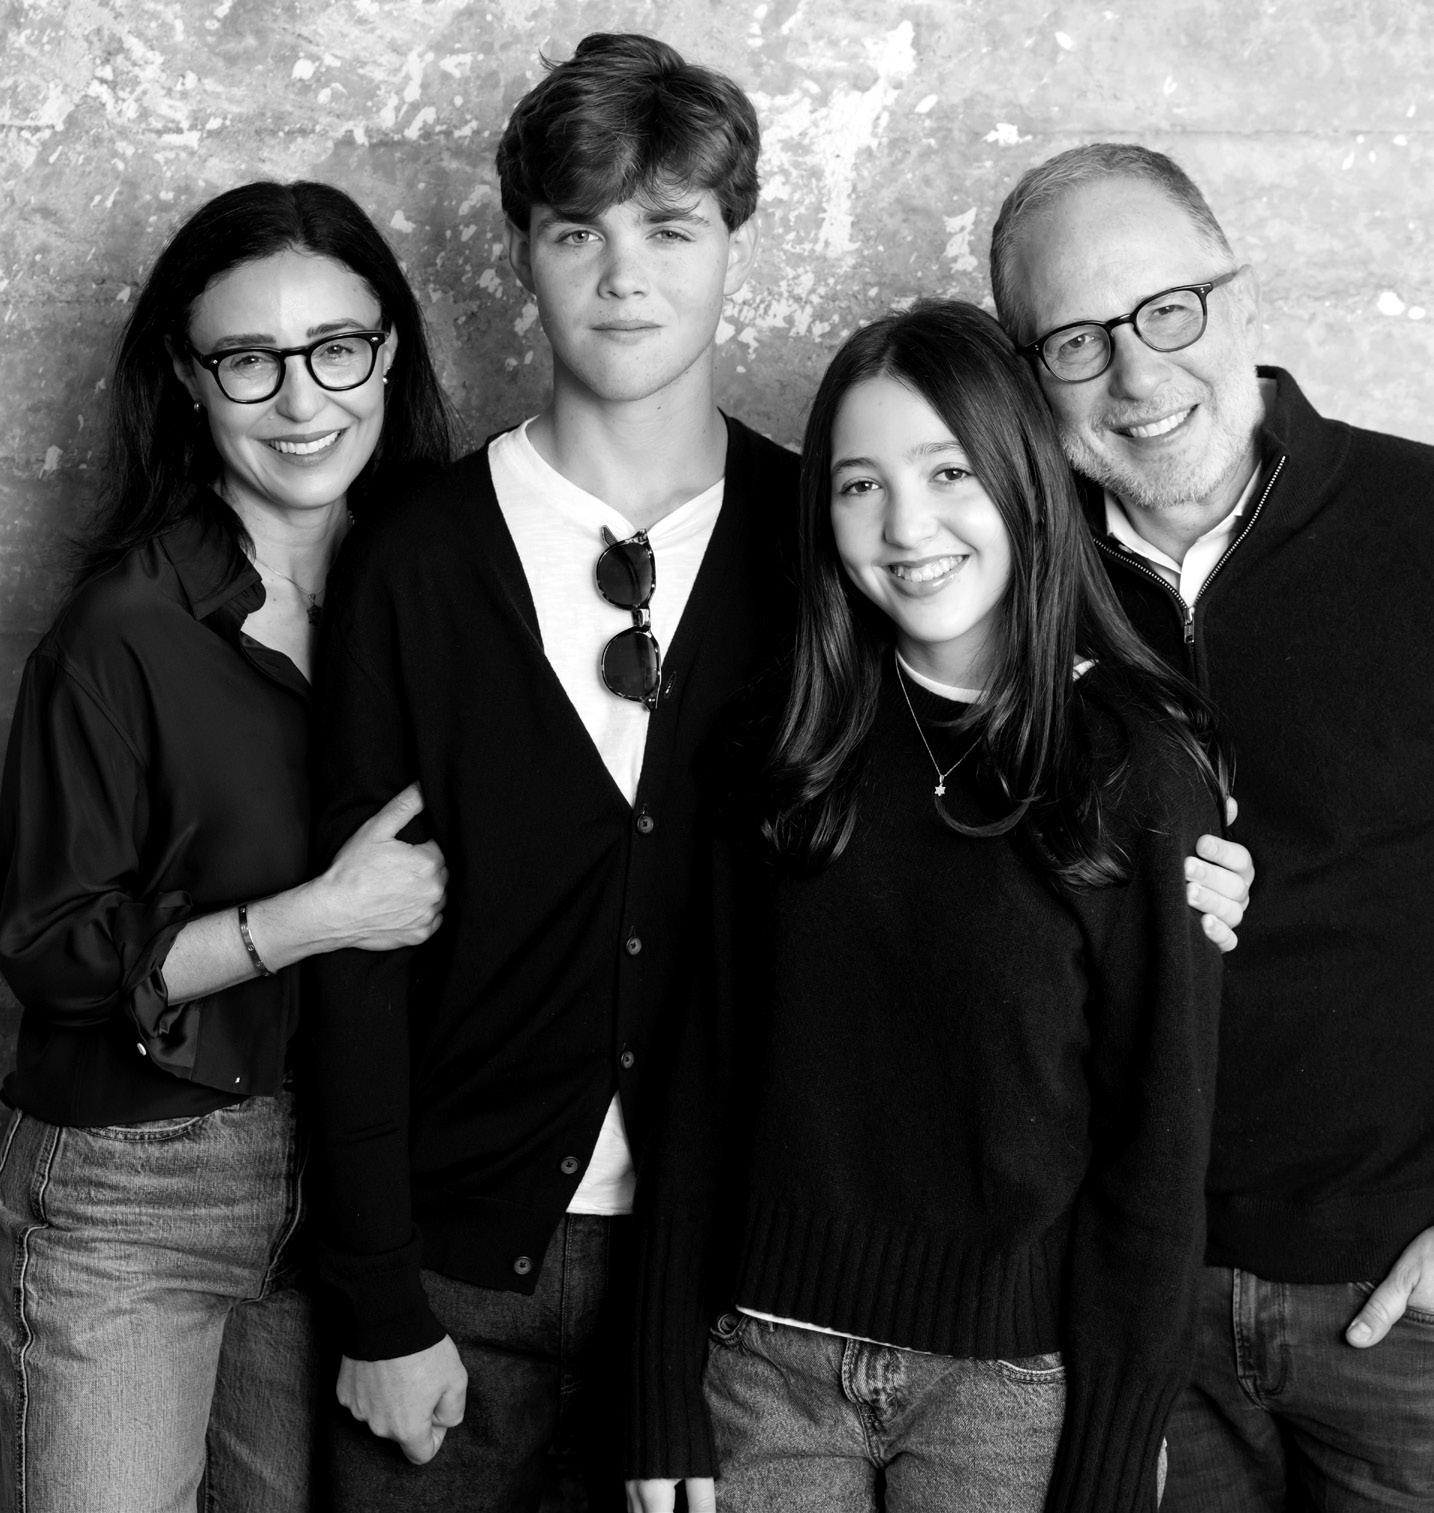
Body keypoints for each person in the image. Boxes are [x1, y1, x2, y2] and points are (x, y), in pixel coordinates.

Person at [625, 299, 1226, 1513]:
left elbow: (1158, 1148)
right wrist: (656, 1386)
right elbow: (700, 1081)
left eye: (950, 471)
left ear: (1024, 478)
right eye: (860, 485)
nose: (906, 526)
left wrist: (1114, 1456)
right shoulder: (781, 746)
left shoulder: (1130, 772)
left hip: (1014, 1392)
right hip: (766, 1365)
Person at [305, 33, 795, 1513]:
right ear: (522, 248)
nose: (623, 276)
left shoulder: (820, 539)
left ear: (733, 242)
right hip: (454, 1279)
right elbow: (354, 955)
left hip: (735, 1292)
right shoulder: (415, 554)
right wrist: (378, 1299)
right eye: (579, 231)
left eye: (670, 229)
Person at [989, 142, 1434, 1510]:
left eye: (1168, 310)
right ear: (1027, 374)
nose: (1137, 375)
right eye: (1077, 340)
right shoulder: (995, 579)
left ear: (1239, 297)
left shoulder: (1422, 523)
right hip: (1124, 1317)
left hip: (1405, 1317)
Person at [0, 179, 452, 1513]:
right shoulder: (123, 629)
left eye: (336, 349)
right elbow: (46, 947)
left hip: (349, 1187)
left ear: (389, 355)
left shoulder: (436, 592)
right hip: (133, 1191)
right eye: (249, 360)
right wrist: (318, 915)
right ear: (188, 381)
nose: (303, 401)